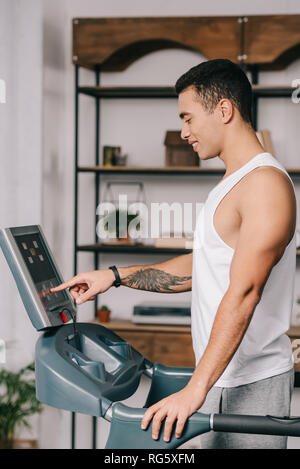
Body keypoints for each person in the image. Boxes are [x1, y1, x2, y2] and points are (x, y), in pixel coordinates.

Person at [51, 59, 297, 449]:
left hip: (251, 382)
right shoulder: (233, 182)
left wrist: (194, 390)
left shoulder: (265, 185)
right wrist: (114, 276)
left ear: (224, 110)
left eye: (188, 118)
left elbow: (245, 292)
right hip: (220, 376)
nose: (183, 132)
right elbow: (204, 269)